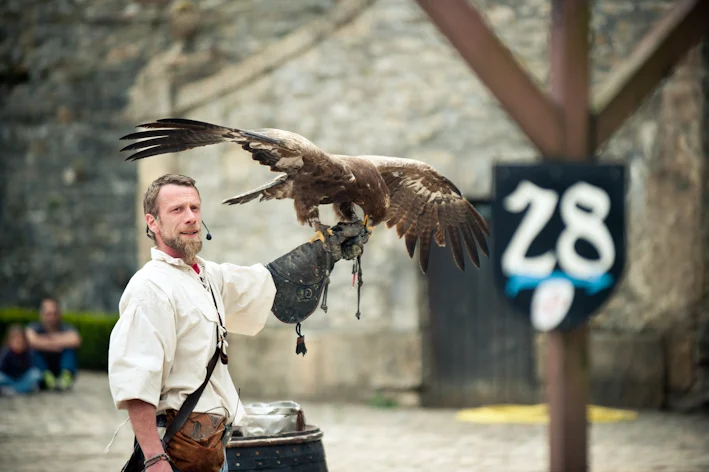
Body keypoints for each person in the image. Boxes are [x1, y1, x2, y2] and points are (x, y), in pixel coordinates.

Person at [108, 173, 368, 472]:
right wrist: (154, 458)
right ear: (152, 222)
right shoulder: (149, 288)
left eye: (195, 207)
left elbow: (267, 281)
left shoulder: (207, 275)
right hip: (175, 450)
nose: (190, 217)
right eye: (177, 210)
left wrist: (325, 250)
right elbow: (137, 382)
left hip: (211, 447)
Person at [26, 296, 82, 391]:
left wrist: (45, 341)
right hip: (43, 366)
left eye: (54, 314)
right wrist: (58, 343)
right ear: (42, 314)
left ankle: (66, 376)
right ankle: (47, 378)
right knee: (34, 351)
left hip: (59, 365)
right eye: (48, 314)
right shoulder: (34, 326)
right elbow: (31, 341)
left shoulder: (66, 326)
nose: (52, 317)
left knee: (69, 350)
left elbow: (76, 340)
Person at [0, 324, 43, 396]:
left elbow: (31, 368)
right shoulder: (6, 353)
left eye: (21, 339)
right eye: (15, 339)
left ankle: (13, 390)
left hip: (23, 379)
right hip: (9, 379)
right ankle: (21, 390)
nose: (18, 341)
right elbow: (1, 369)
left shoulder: (28, 353)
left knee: (36, 374)